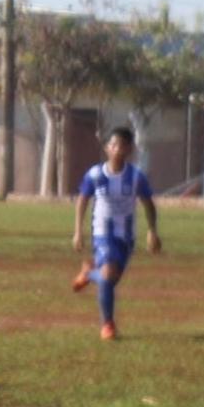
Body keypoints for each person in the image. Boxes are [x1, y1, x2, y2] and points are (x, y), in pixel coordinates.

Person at [71, 125, 161, 340]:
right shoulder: (95, 175)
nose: (117, 149)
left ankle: (87, 274)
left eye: (122, 145)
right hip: (103, 233)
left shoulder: (136, 176)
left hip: (126, 237)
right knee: (109, 275)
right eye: (113, 145)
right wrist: (78, 231)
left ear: (129, 149)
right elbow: (82, 200)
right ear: (106, 148)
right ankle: (107, 325)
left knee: (109, 279)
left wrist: (152, 232)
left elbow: (148, 204)